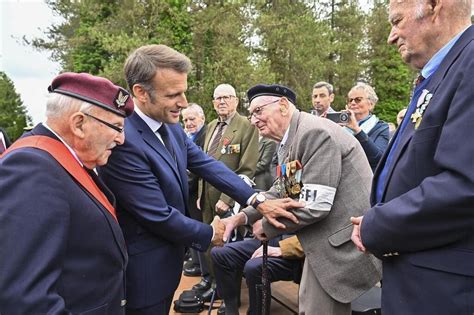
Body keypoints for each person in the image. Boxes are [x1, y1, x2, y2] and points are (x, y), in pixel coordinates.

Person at [97, 44, 301, 315]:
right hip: (144, 267)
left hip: (168, 258)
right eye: (173, 94)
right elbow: (157, 214)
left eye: (184, 92)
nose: (183, 103)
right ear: (140, 93)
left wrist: (257, 200)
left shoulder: (169, 127)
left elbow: (208, 165)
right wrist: (210, 233)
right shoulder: (125, 140)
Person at [351, 1, 474, 314]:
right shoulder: (439, 75)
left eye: (396, 20)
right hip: (418, 275)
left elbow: (465, 185)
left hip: (445, 290)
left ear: (434, 7)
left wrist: (376, 225)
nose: (391, 37)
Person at [223, 84, 381, 315]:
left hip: (343, 248)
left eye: (258, 111)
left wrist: (266, 227)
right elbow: (285, 190)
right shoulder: (293, 138)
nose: (253, 120)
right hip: (323, 245)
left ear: (284, 106)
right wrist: (242, 216)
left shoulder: (313, 133)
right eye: (251, 114)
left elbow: (315, 206)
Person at [0, 72, 134, 313]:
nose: (122, 139)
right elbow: (26, 298)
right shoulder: (32, 168)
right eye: (116, 127)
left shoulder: (60, 160)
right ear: (79, 124)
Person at [194, 83, 259, 298]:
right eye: (218, 98)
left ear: (236, 101)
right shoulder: (211, 126)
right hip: (206, 198)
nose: (222, 101)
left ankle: (226, 292)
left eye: (227, 97)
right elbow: (205, 162)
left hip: (228, 200)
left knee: (226, 247)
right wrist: (201, 194)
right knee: (209, 241)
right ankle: (212, 282)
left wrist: (228, 199)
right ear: (213, 103)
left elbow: (247, 169)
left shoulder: (247, 126)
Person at [211, 234, 303, 315]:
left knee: (255, 267)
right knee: (219, 253)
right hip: (278, 236)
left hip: (302, 248)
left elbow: (316, 234)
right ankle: (230, 310)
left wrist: (282, 249)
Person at [181, 103, 207, 277]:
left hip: (197, 192)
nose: (189, 123)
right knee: (191, 228)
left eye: (192, 119)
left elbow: (199, 168)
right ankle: (196, 261)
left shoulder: (204, 137)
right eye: (185, 120)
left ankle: (202, 267)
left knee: (199, 228)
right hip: (188, 193)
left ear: (202, 118)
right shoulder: (187, 136)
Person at [344, 82, 389, 171]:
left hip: (366, 178)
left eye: (358, 100)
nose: (353, 103)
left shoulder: (381, 128)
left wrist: (357, 130)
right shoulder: (342, 126)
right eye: (350, 100)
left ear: (371, 104)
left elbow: (378, 159)